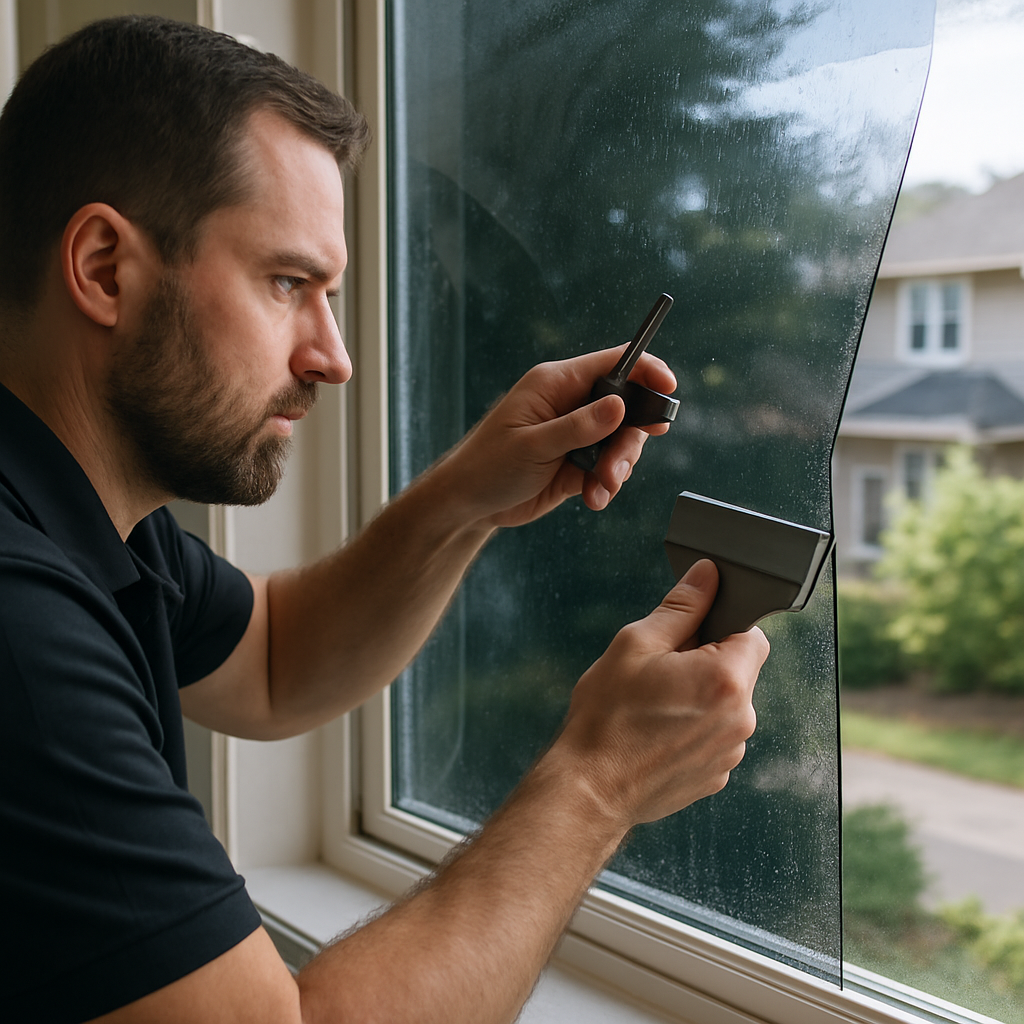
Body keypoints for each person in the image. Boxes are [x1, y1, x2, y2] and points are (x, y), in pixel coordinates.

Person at [0, 15, 769, 1024]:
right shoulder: (18, 622)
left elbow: (271, 658)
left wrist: (464, 499)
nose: (333, 356)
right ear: (103, 267)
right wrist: (597, 783)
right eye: (288, 284)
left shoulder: (85, 517)